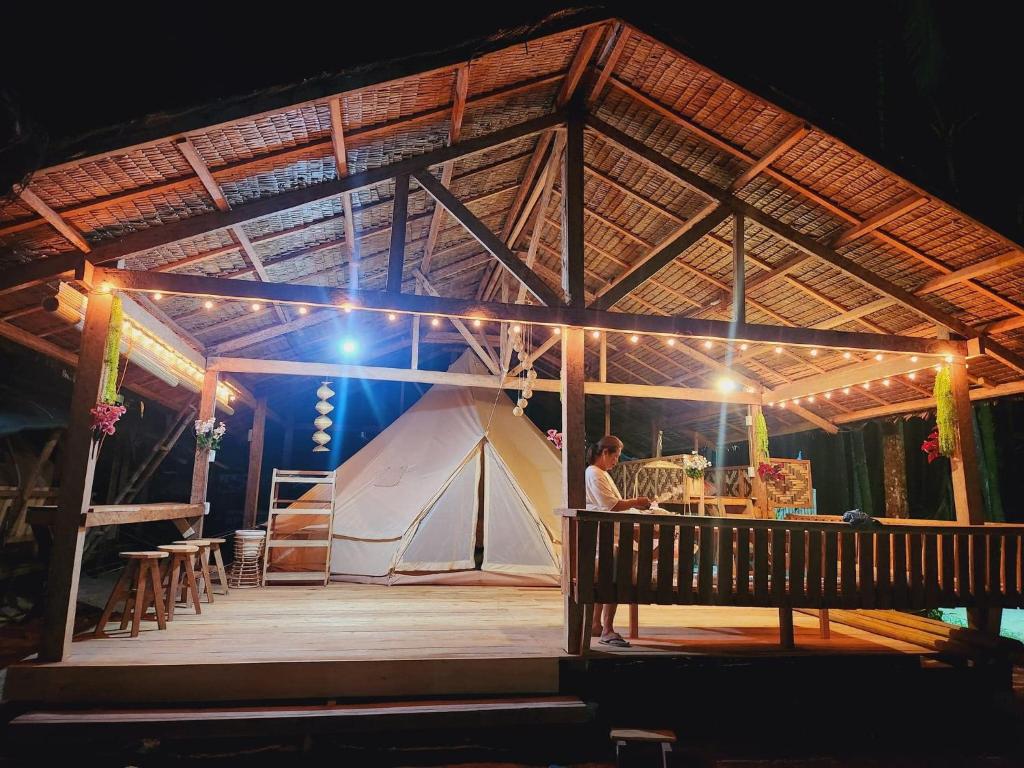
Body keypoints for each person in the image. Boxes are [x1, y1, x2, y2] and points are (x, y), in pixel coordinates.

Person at [584, 435, 651, 648]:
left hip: (605, 534)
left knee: (604, 577)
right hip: (604, 535)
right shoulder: (595, 473)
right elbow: (610, 505)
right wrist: (637, 502)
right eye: (615, 456)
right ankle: (607, 628)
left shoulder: (600, 473)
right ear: (604, 453)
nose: (616, 461)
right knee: (615, 577)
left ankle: (596, 624)